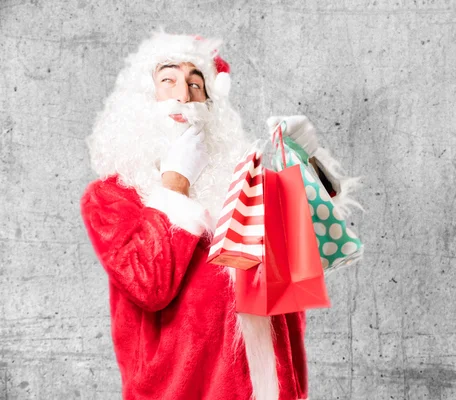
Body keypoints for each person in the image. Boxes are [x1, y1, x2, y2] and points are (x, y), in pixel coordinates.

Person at [80, 32, 358, 400]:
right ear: (140, 100)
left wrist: (308, 160)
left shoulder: (247, 186)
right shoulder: (111, 197)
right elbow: (149, 285)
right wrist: (176, 186)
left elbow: (315, 246)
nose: (184, 95)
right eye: (168, 80)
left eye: (197, 84)